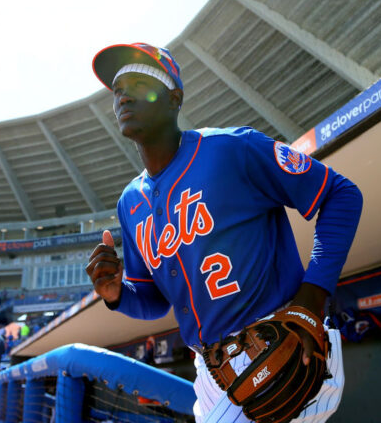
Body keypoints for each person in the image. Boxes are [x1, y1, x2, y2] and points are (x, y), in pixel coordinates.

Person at [87, 42, 363, 422]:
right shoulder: (129, 203)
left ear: (174, 99)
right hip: (210, 370)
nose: (123, 94)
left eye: (139, 82)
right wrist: (117, 294)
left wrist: (312, 299)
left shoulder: (232, 148)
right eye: (118, 88)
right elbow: (153, 301)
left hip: (281, 343)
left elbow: (340, 194)